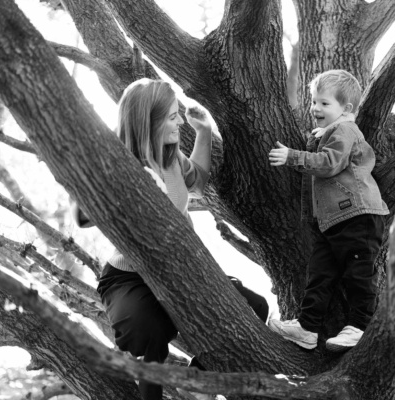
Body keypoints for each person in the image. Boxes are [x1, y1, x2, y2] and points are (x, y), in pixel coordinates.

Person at [74, 78, 268, 400]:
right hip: (129, 277)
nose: (179, 122)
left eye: (179, 115)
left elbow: (199, 184)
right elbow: (82, 217)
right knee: (148, 331)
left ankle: (199, 379)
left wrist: (204, 131)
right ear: (147, 119)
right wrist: (127, 182)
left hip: (184, 271)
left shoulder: (172, 160)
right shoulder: (120, 163)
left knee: (255, 307)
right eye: (172, 116)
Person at [267, 69, 388, 352]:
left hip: (358, 216)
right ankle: (308, 327)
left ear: (346, 109)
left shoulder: (345, 130)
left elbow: (330, 163)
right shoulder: (333, 131)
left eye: (324, 103)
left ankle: (359, 326)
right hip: (333, 222)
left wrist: (292, 157)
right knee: (320, 273)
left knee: (358, 274)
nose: (315, 108)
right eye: (313, 102)